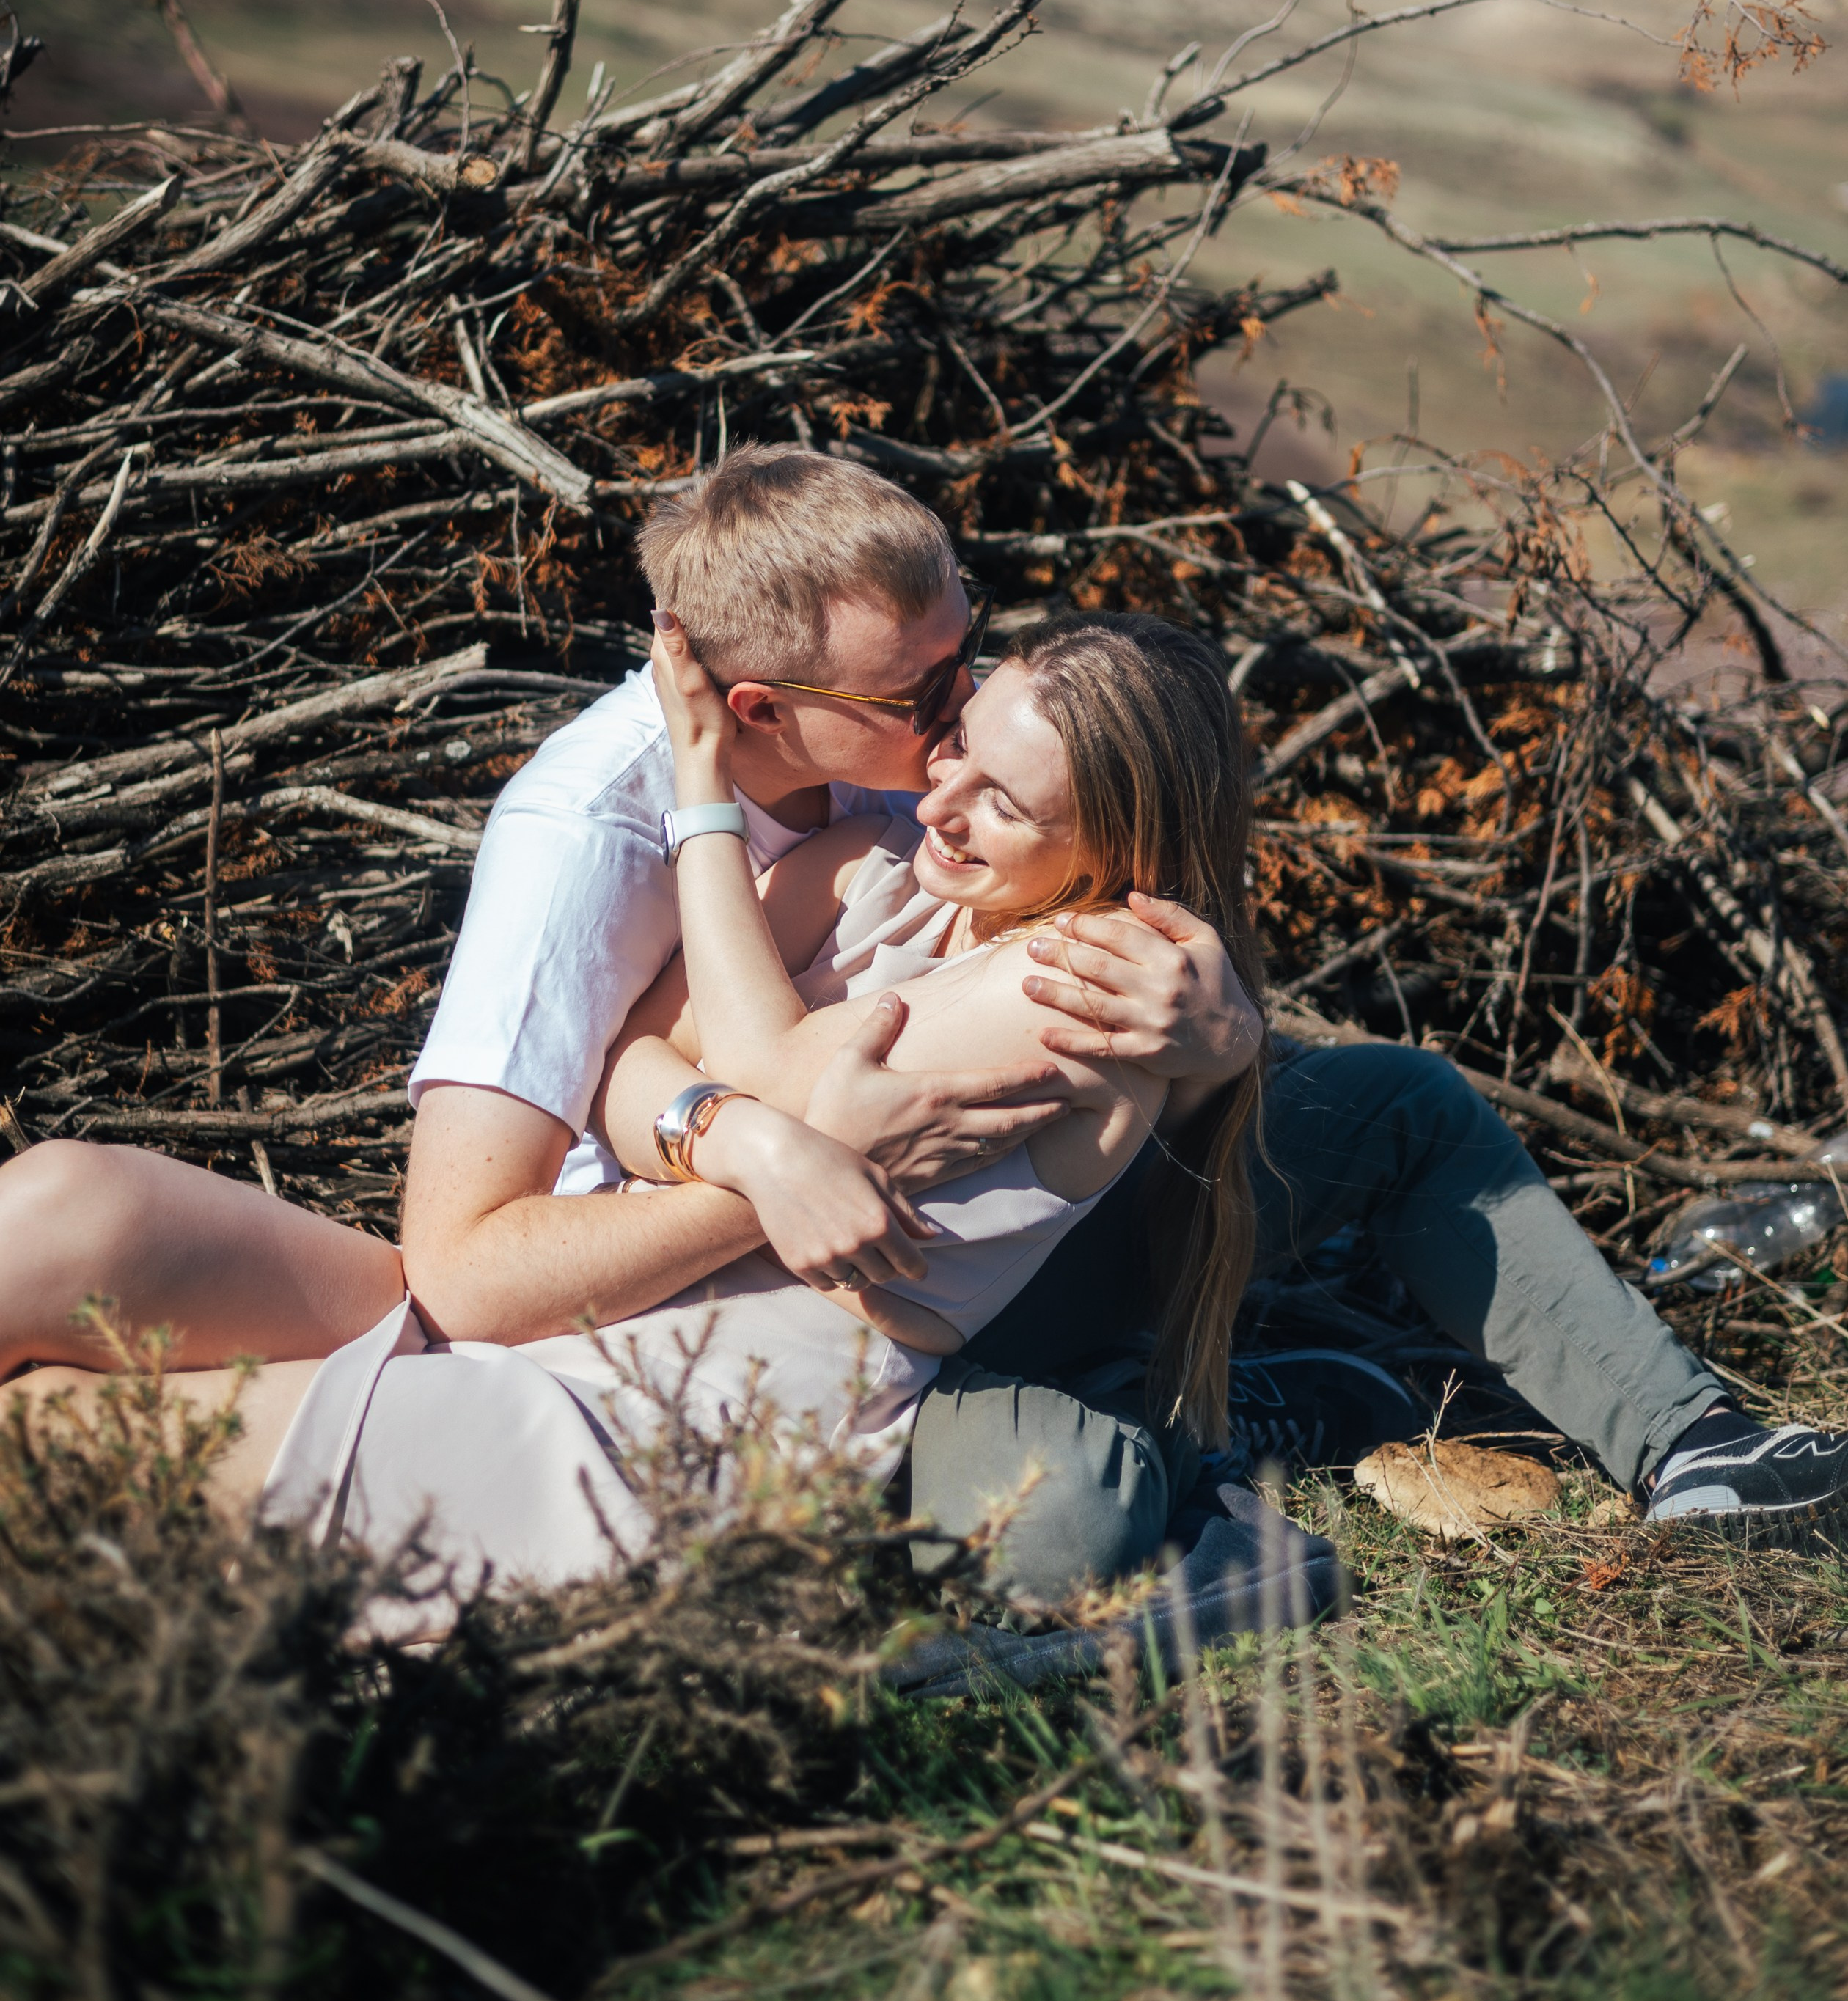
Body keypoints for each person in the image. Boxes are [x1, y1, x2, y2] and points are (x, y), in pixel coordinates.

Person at [1, 445, 1842, 1572]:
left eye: (970, 665)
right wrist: (753, 1146)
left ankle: (1682, 1446)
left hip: (889, 1275)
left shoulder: (932, 792)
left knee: (1387, 1120)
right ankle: (1258, 1391)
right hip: (663, 1291)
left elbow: (1054, 883)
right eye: (925, 705)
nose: (951, 742)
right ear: (758, 709)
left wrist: (1220, 1035)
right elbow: (495, 1238)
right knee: (1068, 1503)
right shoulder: (611, 836)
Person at [257, 605, 1269, 1580]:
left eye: (1005, 804)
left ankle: (1224, 1415)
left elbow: (757, 1063)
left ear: (1127, 851)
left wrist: (702, 793)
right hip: (638, 1302)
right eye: (958, 742)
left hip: (747, 1379)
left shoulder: (1067, 983)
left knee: (284, 1464)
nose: (936, 804)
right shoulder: (882, 868)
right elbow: (628, 1058)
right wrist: (755, 1146)